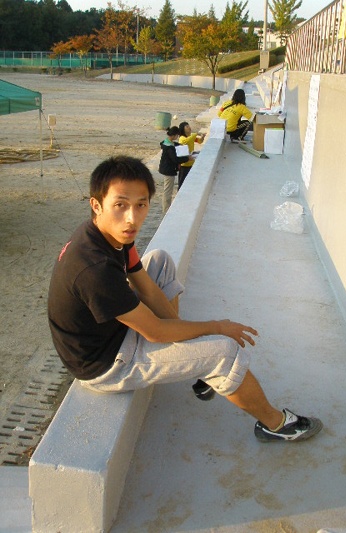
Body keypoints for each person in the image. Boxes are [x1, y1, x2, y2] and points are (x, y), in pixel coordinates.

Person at [48, 155, 323, 443]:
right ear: (97, 205)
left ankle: (192, 357)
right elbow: (155, 332)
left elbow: (147, 287)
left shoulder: (112, 234)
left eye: (141, 204)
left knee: (160, 261)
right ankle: (275, 426)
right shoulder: (95, 269)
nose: (132, 218)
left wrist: (189, 341)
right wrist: (216, 327)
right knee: (225, 352)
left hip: (114, 327)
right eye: (120, 205)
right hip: (107, 363)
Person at [158, 126, 193, 214]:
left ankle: (166, 208)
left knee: (167, 189)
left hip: (167, 168)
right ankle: (166, 210)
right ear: (174, 135)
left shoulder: (167, 143)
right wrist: (187, 158)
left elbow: (175, 145)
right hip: (168, 170)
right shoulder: (169, 147)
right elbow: (175, 159)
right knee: (168, 190)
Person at [178, 122, 205, 189]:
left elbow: (199, 141)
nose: (189, 128)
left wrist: (202, 137)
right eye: (187, 127)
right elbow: (186, 141)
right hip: (184, 165)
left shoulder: (191, 137)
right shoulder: (182, 138)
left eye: (189, 126)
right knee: (182, 182)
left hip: (191, 163)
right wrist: (195, 134)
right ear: (183, 129)